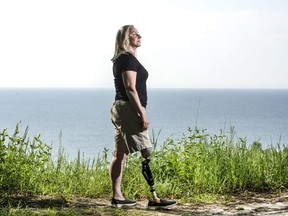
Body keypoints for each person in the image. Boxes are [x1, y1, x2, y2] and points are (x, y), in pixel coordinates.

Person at [109, 25, 176, 209]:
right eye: (134, 34)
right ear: (125, 38)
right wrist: (142, 112)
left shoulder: (124, 59)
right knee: (146, 151)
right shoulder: (127, 59)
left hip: (121, 108)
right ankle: (155, 199)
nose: (139, 36)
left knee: (120, 153)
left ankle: (117, 197)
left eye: (139, 33)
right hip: (128, 108)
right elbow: (130, 88)